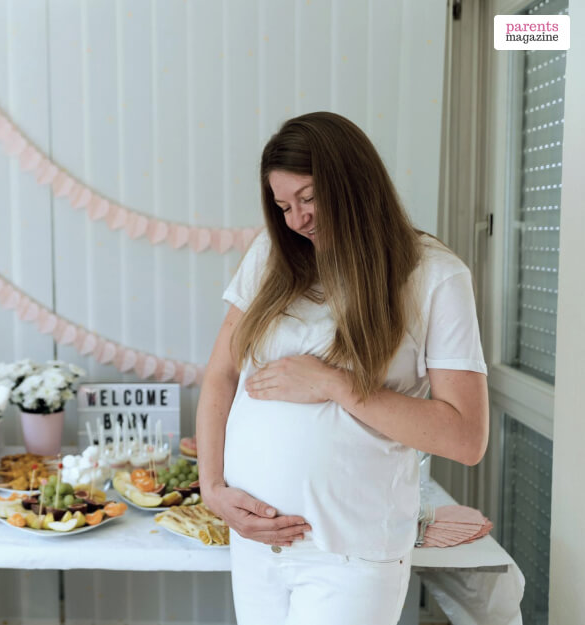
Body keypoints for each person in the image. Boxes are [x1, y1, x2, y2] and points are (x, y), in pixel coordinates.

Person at [196, 111, 489, 624]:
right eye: (284, 205)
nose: (296, 220)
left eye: (308, 198)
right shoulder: (272, 255)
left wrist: (335, 384)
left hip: (350, 556)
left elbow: (466, 438)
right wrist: (213, 488)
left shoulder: (434, 276)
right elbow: (222, 373)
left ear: (355, 181)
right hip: (258, 545)